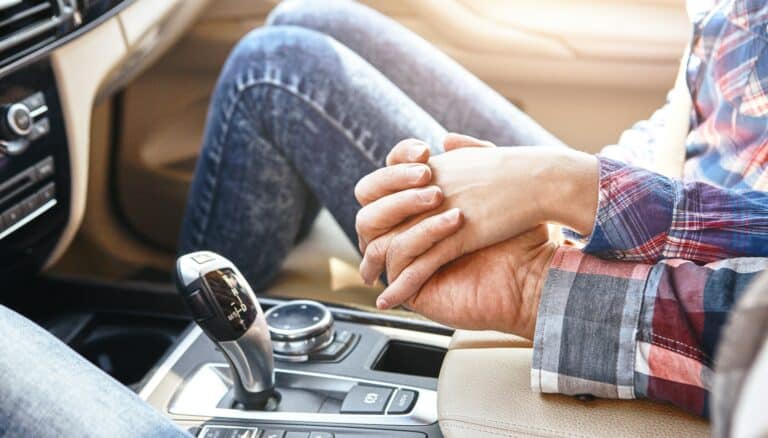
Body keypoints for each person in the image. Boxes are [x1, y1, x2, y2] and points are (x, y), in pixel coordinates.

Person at [0, 0, 766, 436]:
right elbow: (693, 119)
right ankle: (190, 336)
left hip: (708, 285)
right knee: (303, 28)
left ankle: (188, 346)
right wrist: (588, 201)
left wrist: (563, 215)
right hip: (696, 218)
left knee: (272, 75)